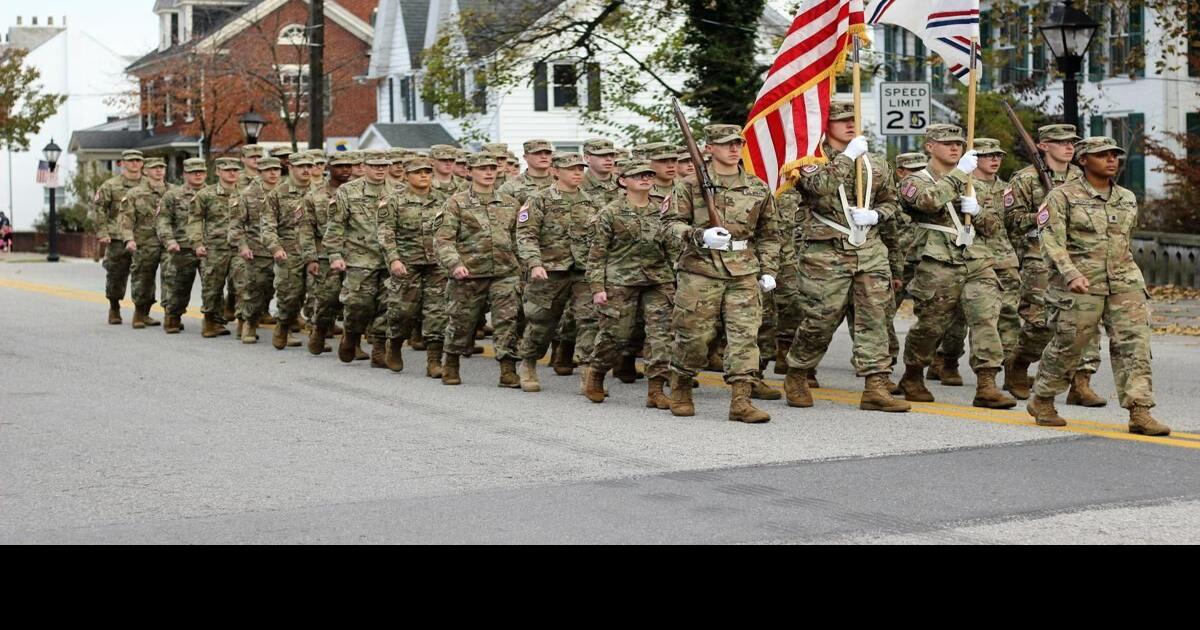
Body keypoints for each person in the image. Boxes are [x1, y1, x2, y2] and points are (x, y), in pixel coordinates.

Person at [1027, 136, 1170, 437]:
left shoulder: (1126, 197)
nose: (1111, 160)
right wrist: (1070, 273)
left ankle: (1140, 411)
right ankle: (1042, 398)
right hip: (1080, 284)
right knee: (1070, 344)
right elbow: (1051, 242)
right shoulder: (1061, 196)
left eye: (1114, 155)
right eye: (1102, 155)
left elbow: (1124, 241)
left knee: (1135, 345)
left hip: (1124, 282)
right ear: (1083, 160)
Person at [783, 102, 910, 413]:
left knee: (875, 319)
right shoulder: (810, 161)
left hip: (869, 250)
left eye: (854, 119)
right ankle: (797, 372)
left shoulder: (875, 163)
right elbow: (820, 187)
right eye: (842, 121)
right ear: (826, 126)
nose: (850, 125)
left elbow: (892, 201)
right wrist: (848, 156)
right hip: (826, 253)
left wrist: (876, 215)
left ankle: (876, 384)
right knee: (821, 319)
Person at [661, 124, 781, 423]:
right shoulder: (689, 185)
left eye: (738, 143)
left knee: (745, 337)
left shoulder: (757, 187)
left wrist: (769, 270)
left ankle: (741, 401)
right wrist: (699, 235)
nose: (734, 149)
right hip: (700, 270)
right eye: (727, 144)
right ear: (709, 148)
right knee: (694, 337)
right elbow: (668, 226)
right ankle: (681, 386)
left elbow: (770, 233)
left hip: (743, 271)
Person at [898, 124, 1016, 410]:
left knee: (986, 319)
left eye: (959, 144)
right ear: (930, 146)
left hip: (977, 259)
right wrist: (959, 174)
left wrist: (978, 211)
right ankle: (913, 373)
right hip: (938, 260)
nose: (955, 148)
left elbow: (995, 227)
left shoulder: (975, 183)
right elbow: (926, 202)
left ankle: (987, 383)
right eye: (947, 143)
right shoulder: (916, 180)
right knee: (932, 325)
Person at [1005, 124, 1105, 406]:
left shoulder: (1082, 177)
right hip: (1039, 257)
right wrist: (1043, 215)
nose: (1069, 146)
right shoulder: (1024, 179)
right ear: (1043, 146)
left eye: (1072, 141)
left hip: (1079, 257)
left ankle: (1081, 383)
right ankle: (1019, 362)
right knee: (1040, 322)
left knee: (1087, 320)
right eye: (1061, 142)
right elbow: (1011, 222)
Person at [930, 139, 1023, 388]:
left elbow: (1008, 224)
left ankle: (1011, 371)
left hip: (1003, 259)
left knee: (1008, 315)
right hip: (971, 258)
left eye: (998, 155)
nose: (995, 160)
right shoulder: (960, 185)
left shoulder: (1007, 189)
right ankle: (947, 359)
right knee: (958, 318)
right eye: (987, 155)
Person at [585, 160, 676, 408]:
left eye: (648, 175)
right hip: (620, 281)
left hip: (658, 279)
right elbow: (597, 254)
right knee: (616, 335)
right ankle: (596, 373)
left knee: (661, 335)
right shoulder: (610, 213)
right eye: (638, 176)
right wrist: (597, 288)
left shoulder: (663, 209)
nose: (645, 179)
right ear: (623, 181)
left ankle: (656, 390)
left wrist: (678, 276)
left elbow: (672, 246)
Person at [434, 152, 523, 387]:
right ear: (469, 172)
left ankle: (508, 370)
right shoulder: (456, 202)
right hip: (469, 273)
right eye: (483, 168)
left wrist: (523, 268)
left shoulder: (510, 203)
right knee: (461, 321)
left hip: (505, 272)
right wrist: (455, 264)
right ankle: (451, 363)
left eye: (492, 168)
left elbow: (518, 239)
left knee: (507, 321)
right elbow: (443, 239)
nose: (489, 172)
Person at [513, 152, 597, 392]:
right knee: (542, 322)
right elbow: (526, 235)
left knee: (589, 320)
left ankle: (588, 372)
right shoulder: (539, 200)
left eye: (580, 169)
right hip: (550, 270)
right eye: (571, 169)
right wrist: (534, 263)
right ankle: (528, 363)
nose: (577, 173)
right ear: (555, 171)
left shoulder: (590, 201)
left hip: (582, 271)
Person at [378, 156, 450, 377]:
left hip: (436, 264)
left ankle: (434, 361)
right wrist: (394, 259)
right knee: (403, 311)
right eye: (418, 172)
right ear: (407, 175)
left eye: (427, 172)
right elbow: (385, 233)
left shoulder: (444, 200)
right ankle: (395, 344)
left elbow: (451, 230)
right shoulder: (393, 200)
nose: (423, 176)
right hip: (406, 263)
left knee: (437, 312)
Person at [325, 150, 393, 366]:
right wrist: (334, 254)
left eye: (384, 165)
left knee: (388, 305)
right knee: (358, 304)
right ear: (363, 167)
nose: (380, 169)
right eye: (375, 165)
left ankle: (380, 349)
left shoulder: (398, 190)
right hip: (359, 258)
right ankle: (351, 335)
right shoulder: (348, 191)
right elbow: (336, 224)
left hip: (391, 258)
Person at [300, 151, 357, 355]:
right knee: (328, 298)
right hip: (325, 255)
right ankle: (319, 329)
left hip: (356, 255)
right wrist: (310, 258)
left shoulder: (358, 193)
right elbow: (306, 229)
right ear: (329, 168)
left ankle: (352, 342)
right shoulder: (314, 196)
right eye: (340, 166)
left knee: (356, 300)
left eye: (349, 166)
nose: (345, 170)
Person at [261, 152, 316, 350]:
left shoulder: (321, 192)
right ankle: (284, 325)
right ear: (290, 168)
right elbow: (267, 225)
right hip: (289, 251)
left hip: (316, 251)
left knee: (319, 294)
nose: (306, 170)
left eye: (309, 166)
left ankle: (317, 332)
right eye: (301, 166)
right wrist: (275, 247)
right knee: (290, 295)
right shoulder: (277, 194)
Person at [230, 156, 283, 343]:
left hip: (285, 250)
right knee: (255, 290)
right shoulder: (247, 195)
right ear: (260, 173)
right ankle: (249, 323)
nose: (273, 173)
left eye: (276, 169)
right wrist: (242, 246)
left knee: (288, 291)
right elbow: (236, 225)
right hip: (258, 250)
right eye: (268, 170)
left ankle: (286, 328)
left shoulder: (286, 193)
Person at [187, 157, 242, 338]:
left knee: (243, 285)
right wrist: (197, 243)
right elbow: (194, 220)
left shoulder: (246, 193)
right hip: (214, 248)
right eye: (227, 170)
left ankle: (245, 323)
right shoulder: (206, 194)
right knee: (212, 286)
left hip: (240, 248)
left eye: (235, 170)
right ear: (218, 172)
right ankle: (211, 321)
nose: (232, 173)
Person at [156, 158, 208, 334]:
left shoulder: (213, 194)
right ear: (185, 174)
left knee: (212, 286)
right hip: (182, 247)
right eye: (193, 172)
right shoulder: (172, 195)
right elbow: (163, 220)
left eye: (201, 172)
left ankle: (213, 320)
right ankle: (173, 317)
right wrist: (169, 241)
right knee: (179, 286)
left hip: (209, 248)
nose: (198, 175)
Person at [117, 157, 169, 329]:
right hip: (145, 242)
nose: (159, 170)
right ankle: (140, 313)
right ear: (145, 171)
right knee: (143, 278)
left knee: (172, 277)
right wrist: (129, 239)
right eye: (154, 168)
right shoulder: (135, 193)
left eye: (161, 167)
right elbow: (126, 219)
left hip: (169, 242)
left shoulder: (174, 192)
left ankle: (171, 314)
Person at [94, 149, 144, 325]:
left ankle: (142, 311)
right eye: (130, 160)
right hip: (117, 237)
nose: (134, 163)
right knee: (116, 274)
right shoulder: (110, 185)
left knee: (144, 275)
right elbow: (100, 209)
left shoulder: (149, 185)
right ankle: (114, 307)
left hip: (143, 237)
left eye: (138, 160)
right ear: (122, 163)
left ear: (142, 163)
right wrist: (102, 232)